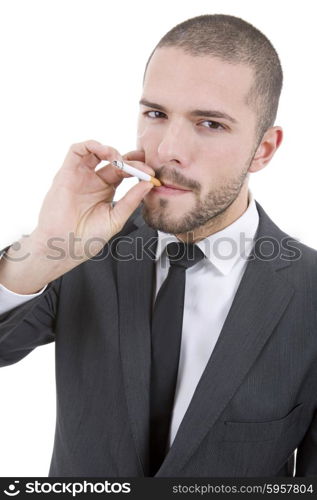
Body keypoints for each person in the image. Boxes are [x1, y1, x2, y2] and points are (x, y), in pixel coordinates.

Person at [0, 14, 316, 478]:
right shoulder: (84, 246)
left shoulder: (309, 292)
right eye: (156, 114)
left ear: (263, 150)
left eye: (209, 123)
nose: (168, 149)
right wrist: (45, 251)